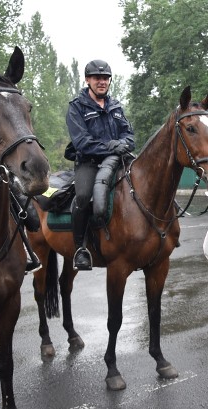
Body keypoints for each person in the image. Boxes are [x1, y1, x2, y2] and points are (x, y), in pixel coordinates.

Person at [65, 59, 135, 271]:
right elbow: (82, 142)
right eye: (97, 78)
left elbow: (129, 135)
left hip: (118, 159)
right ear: (88, 80)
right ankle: (80, 249)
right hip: (89, 162)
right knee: (84, 196)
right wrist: (112, 147)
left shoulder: (116, 106)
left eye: (105, 78)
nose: (102, 82)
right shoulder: (76, 107)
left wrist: (122, 144)